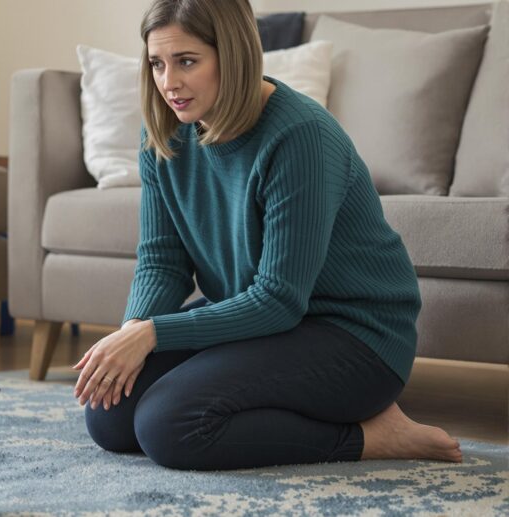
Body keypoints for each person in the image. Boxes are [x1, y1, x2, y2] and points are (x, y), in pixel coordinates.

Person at [73, 0, 462, 471]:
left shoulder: (300, 136)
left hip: (354, 337)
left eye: (187, 61)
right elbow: (163, 262)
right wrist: (132, 336)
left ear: (232, 56)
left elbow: (279, 299)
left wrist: (154, 333)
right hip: (258, 322)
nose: (169, 82)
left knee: (169, 425)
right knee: (110, 414)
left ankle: (370, 436)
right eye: (157, 63)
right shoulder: (165, 131)